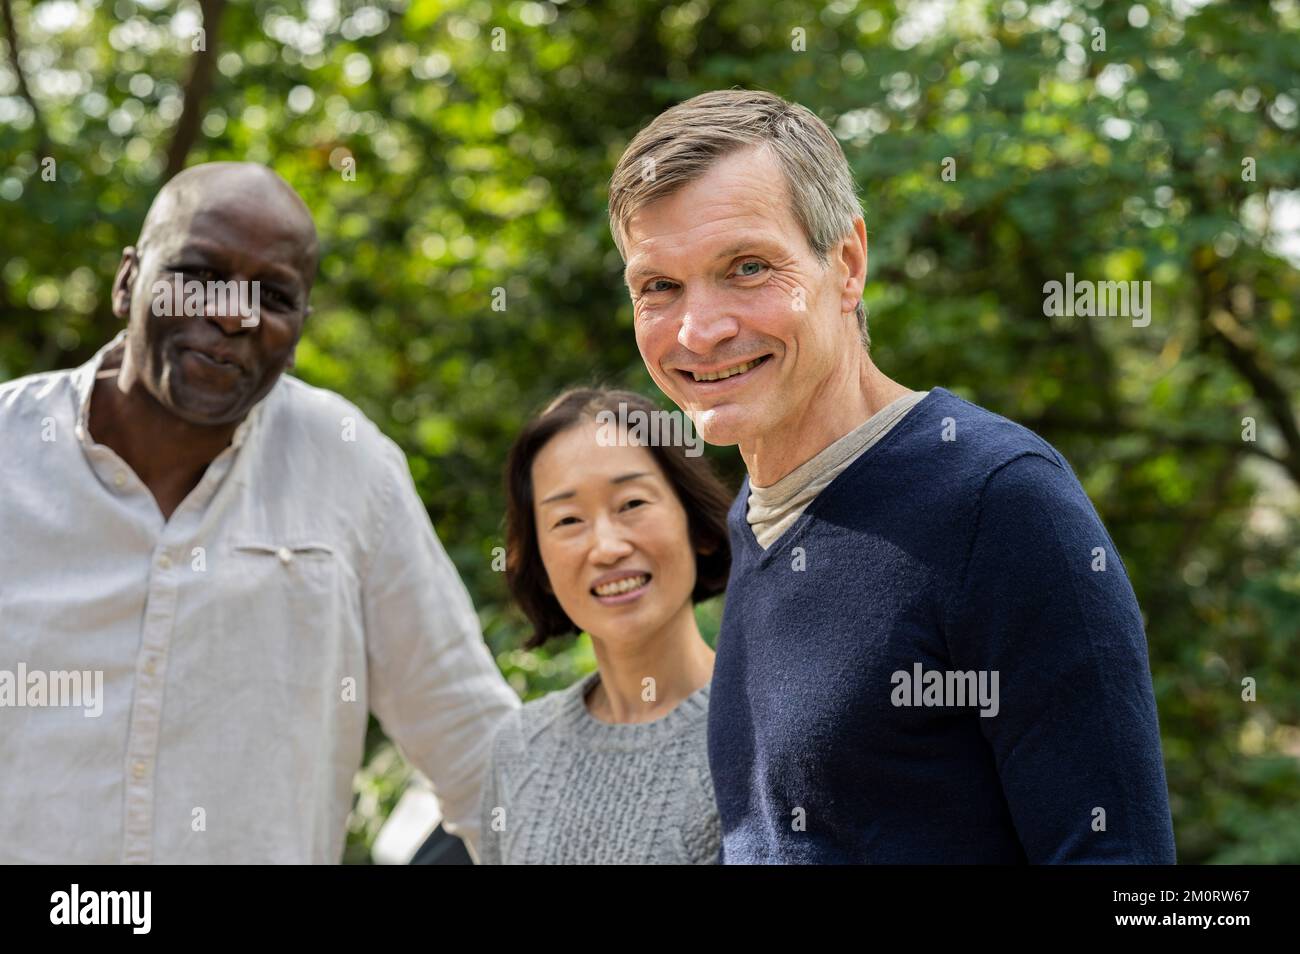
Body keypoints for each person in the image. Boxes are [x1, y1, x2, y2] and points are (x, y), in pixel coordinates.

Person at [606, 89, 1178, 863]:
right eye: (659, 287)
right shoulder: (757, 515)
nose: (699, 330)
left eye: (746, 267)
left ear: (846, 264)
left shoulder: (999, 500)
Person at [0, 161, 518, 863]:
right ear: (128, 281)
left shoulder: (350, 468)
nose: (232, 314)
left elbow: (472, 744)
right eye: (200, 275)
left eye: (272, 295)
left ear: (299, 326)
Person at [476, 388, 731, 864]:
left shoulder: (766, 736)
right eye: (569, 519)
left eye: (632, 504)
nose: (607, 547)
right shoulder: (518, 747)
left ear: (695, 524)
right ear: (540, 563)